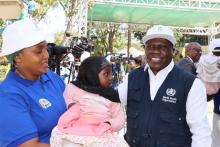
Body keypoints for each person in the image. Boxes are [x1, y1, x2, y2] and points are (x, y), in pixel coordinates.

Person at [117, 25, 211, 147]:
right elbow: (111, 102)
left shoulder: (191, 84)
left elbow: (201, 132)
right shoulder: (133, 77)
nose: (155, 51)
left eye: (162, 47)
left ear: (173, 51)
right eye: (150, 46)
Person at [0, 19, 66, 147]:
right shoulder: (8, 95)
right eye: (38, 51)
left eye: (46, 49)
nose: (46, 55)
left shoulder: (51, 78)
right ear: (18, 58)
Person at [50, 56, 128, 147]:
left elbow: (119, 117)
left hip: (101, 134)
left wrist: (110, 124)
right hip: (76, 131)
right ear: (91, 75)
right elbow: (67, 99)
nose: (111, 77)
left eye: (111, 73)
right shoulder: (75, 88)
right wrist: (72, 106)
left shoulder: (112, 95)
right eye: (106, 74)